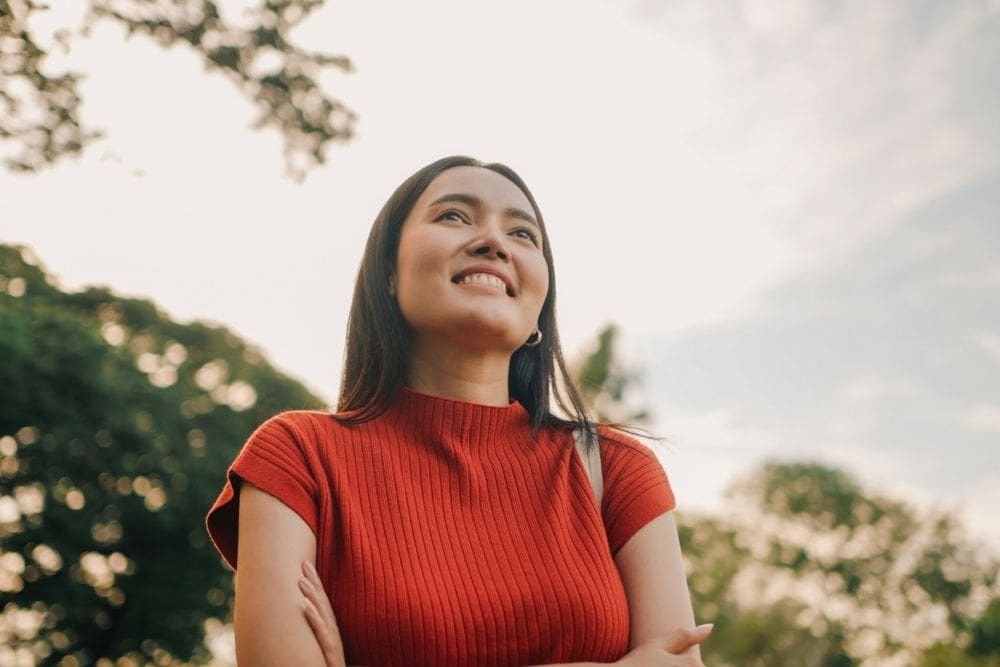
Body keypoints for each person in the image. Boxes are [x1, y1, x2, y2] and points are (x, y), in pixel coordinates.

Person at [205, 155, 712, 666]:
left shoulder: (619, 469)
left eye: (522, 234)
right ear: (387, 273)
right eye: (454, 216)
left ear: (540, 301)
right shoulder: (297, 457)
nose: (494, 242)